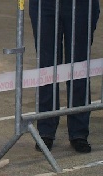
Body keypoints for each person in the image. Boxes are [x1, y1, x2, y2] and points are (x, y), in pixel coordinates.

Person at [29, 0, 100, 153]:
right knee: (47, 68)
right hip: (44, 4)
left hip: (81, 4)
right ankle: (45, 131)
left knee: (78, 67)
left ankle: (79, 132)